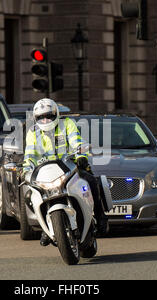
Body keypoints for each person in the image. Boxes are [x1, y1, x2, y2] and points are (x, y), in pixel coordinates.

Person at [22, 98, 108, 246]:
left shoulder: (67, 124)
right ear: (36, 119)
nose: (45, 120)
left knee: (92, 181)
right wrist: (25, 170)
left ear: (56, 114)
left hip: (69, 167)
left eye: (49, 115)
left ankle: (100, 217)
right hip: (45, 172)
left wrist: (81, 156)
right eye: (41, 117)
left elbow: (76, 141)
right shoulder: (32, 132)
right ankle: (47, 227)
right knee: (29, 195)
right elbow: (29, 154)